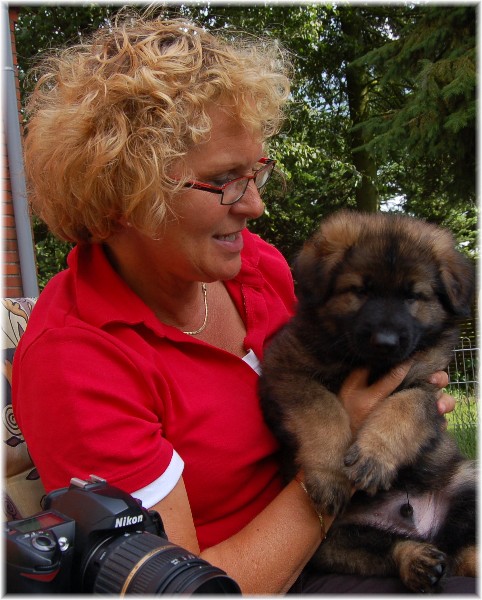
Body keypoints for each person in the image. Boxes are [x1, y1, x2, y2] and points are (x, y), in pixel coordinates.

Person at [13, 12, 475, 594]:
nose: (255, 205)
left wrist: (403, 400)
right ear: (125, 193)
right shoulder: (78, 363)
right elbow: (184, 587)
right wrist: (347, 453)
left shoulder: (249, 264)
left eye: (256, 172)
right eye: (225, 179)